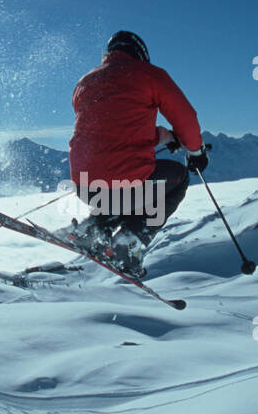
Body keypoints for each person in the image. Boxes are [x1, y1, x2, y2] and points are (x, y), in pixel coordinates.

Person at [66, 31, 209, 275]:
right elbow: (186, 117)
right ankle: (128, 243)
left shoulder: (85, 83)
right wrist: (195, 151)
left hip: (84, 187)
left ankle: (93, 229)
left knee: (117, 189)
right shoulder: (150, 75)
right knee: (177, 178)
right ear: (141, 53)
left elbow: (109, 127)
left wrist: (162, 136)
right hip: (126, 184)